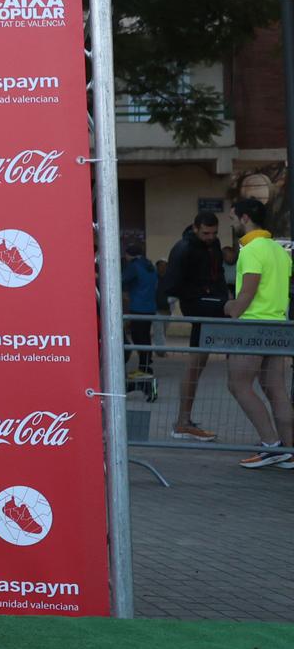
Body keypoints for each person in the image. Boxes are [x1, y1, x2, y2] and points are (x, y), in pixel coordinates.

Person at [223, 198, 294, 469]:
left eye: (233, 217)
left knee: (238, 385)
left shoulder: (252, 249)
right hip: (277, 324)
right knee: (275, 389)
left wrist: (230, 307)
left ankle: (271, 446)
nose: (230, 222)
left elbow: (247, 295)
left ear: (244, 218)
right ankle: (287, 450)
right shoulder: (279, 251)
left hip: (252, 326)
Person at [161, 211, 230, 440]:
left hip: (211, 302)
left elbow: (218, 274)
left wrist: (220, 294)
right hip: (197, 304)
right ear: (195, 228)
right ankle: (183, 421)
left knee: (198, 363)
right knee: (195, 364)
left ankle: (184, 421)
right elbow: (171, 284)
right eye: (205, 233)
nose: (210, 237)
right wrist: (198, 295)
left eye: (213, 233)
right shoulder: (183, 248)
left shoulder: (214, 245)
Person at [122, 242, 158, 382]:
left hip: (138, 307)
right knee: (145, 337)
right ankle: (146, 364)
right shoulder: (150, 266)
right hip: (150, 307)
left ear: (129, 255)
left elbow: (122, 279)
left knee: (138, 337)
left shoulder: (134, 266)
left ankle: (143, 368)